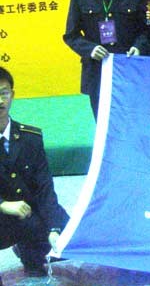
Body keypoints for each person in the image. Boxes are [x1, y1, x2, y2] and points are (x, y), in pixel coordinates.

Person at [63, 0, 150, 119]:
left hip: (129, 68)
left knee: (132, 121)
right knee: (103, 122)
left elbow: (146, 31)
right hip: (97, 71)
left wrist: (138, 47)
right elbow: (71, 35)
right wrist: (90, 49)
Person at [0, 67, 69, 277]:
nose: (0, 101)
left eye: (4, 93)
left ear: (12, 94)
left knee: (69, 235)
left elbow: (45, 188)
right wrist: (3, 204)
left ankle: (30, 253)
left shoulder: (31, 138)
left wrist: (54, 228)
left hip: (28, 214)